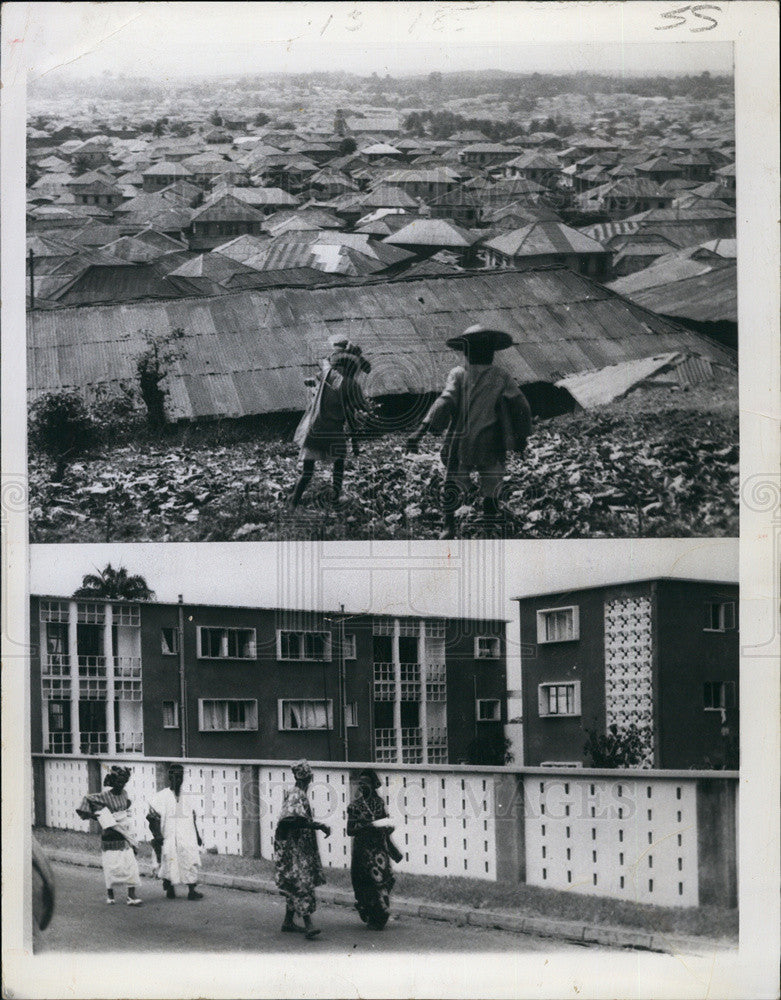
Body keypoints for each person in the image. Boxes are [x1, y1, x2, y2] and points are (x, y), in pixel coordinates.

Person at [406, 324, 532, 539]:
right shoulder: (501, 376)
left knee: (452, 482)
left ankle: (449, 526)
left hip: (461, 442)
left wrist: (421, 430)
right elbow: (521, 404)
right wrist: (522, 435)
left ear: (466, 351)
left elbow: (444, 401)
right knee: (491, 483)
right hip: (490, 442)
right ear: (491, 352)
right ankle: (489, 525)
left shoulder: (459, 374)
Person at [290, 338, 374, 507]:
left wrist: (346, 350)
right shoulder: (353, 386)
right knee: (339, 464)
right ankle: (335, 497)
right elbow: (354, 415)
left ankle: (292, 503)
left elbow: (326, 362)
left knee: (307, 472)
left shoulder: (329, 374)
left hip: (314, 428)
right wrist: (356, 440)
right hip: (333, 432)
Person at [273, 760, 331, 939]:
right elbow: (289, 820)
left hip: (296, 847)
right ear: (310, 777)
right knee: (302, 883)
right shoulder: (296, 794)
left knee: (294, 882)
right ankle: (308, 924)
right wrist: (317, 825)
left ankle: (288, 922)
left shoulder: (296, 794)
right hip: (293, 848)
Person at [76, 765, 142, 906]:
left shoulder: (124, 794)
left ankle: (131, 896)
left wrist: (122, 817)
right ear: (112, 781)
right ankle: (110, 894)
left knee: (130, 865)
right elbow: (87, 799)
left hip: (124, 833)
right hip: (110, 834)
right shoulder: (104, 796)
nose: (121, 784)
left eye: (123, 782)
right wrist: (96, 816)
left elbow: (126, 806)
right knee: (111, 867)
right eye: (118, 781)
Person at [346, 769, 402, 930]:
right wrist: (366, 826)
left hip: (378, 850)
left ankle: (380, 913)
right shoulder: (354, 807)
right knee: (365, 883)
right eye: (360, 783)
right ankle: (369, 912)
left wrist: (387, 829)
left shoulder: (379, 804)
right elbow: (350, 831)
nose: (362, 786)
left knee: (382, 880)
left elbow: (384, 823)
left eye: (366, 783)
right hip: (362, 851)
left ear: (373, 785)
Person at [146, 763, 203, 901]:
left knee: (190, 859)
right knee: (168, 860)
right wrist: (157, 836)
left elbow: (192, 818)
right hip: (168, 835)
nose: (178, 779)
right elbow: (152, 818)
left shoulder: (187, 797)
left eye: (181, 776)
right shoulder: (161, 797)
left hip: (186, 835)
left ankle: (191, 890)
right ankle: (170, 888)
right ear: (169, 777)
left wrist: (197, 836)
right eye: (175, 776)